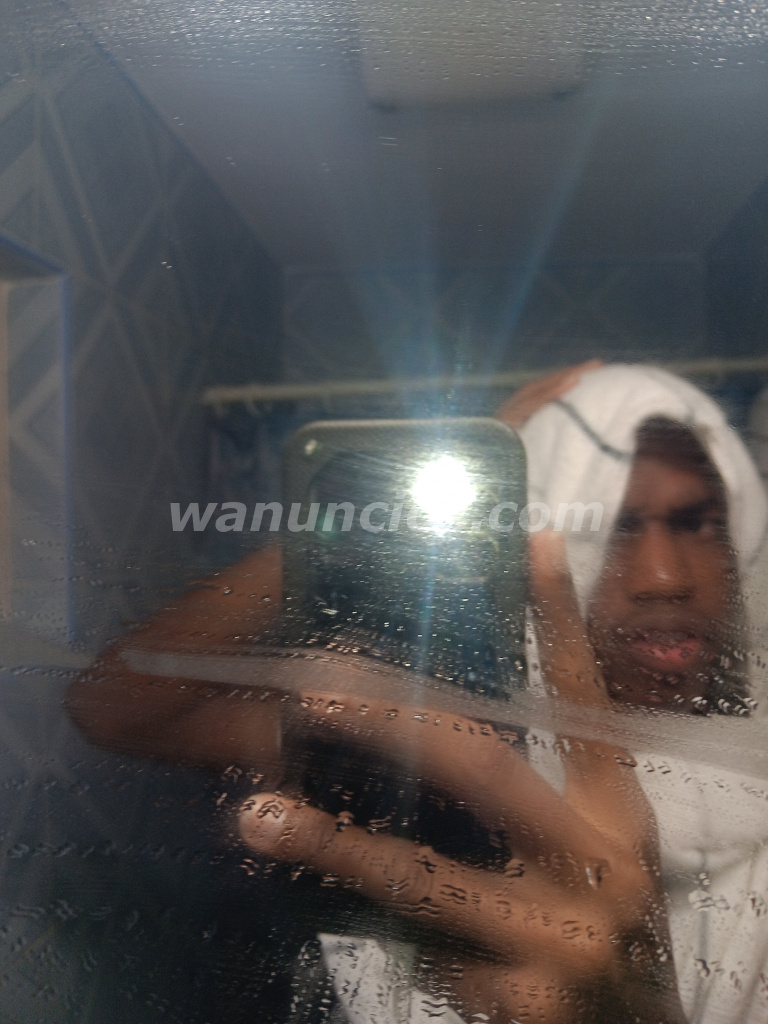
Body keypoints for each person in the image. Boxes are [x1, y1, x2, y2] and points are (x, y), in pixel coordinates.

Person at [66, 363, 768, 1023]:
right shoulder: (433, 738)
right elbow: (116, 708)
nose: (664, 578)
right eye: (612, 524)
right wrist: (377, 523)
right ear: (531, 540)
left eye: (696, 523)